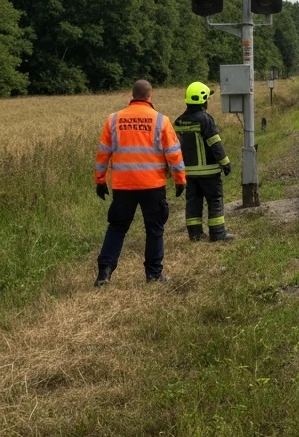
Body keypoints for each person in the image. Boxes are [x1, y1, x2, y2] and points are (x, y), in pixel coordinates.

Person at [93, 79, 186, 287]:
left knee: (116, 227)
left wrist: (100, 181)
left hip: (123, 186)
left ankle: (104, 274)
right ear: (150, 96)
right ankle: (153, 274)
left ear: (131, 95)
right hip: (152, 185)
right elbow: (174, 154)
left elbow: (102, 154)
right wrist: (180, 180)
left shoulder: (113, 119)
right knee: (154, 228)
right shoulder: (161, 120)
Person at [173, 81, 233, 243]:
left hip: (189, 173)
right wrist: (225, 163)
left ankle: (195, 235)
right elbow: (215, 143)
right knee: (214, 200)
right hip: (209, 172)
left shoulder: (178, 121)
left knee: (193, 202)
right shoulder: (205, 120)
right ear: (203, 100)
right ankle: (218, 233)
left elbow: (174, 148)